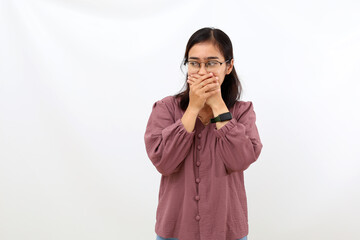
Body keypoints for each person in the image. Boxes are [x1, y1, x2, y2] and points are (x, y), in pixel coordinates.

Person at [144, 27, 263, 240]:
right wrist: (193, 108)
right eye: (194, 63)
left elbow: (240, 160)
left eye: (211, 63)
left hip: (226, 232)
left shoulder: (242, 111)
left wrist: (217, 105)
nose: (201, 71)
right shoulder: (165, 109)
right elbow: (164, 162)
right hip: (175, 231)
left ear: (228, 66)